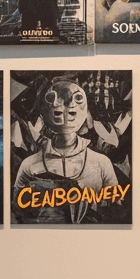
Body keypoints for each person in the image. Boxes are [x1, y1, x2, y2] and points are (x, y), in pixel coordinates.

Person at [14, 79, 119, 223]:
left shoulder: (101, 163)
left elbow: (115, 209)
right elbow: (15, 210)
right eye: (55, 101)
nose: (66, 108)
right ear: (44, 113)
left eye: (77, 99)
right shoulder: (29, 164)